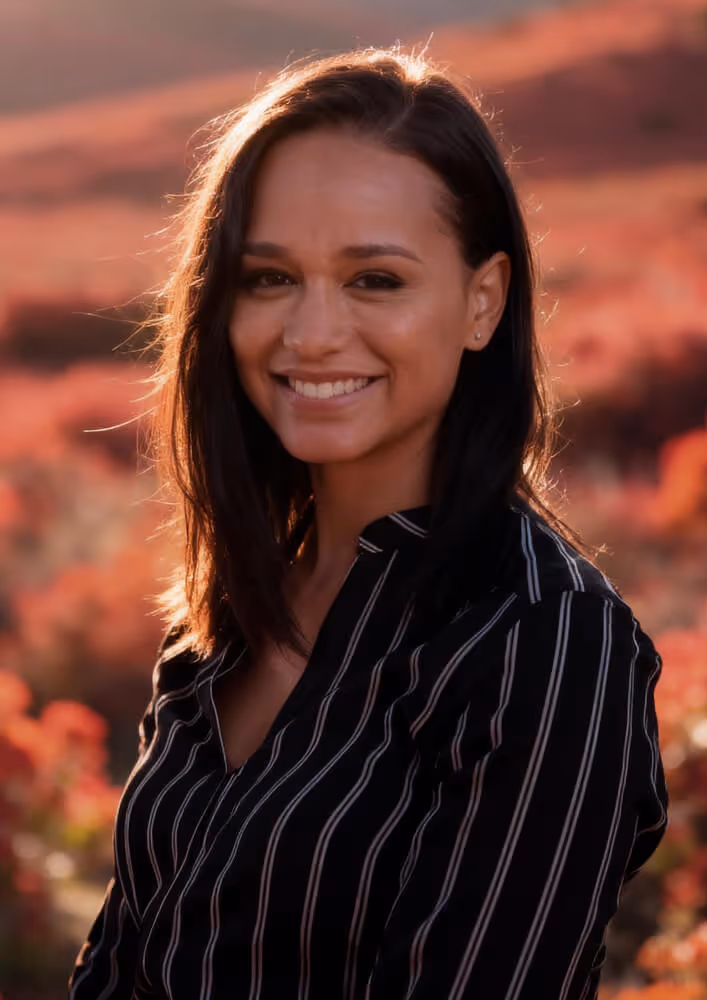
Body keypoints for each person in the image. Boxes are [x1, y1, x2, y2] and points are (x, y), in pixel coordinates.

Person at [68, 45, 668, 1000]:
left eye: (374, 280)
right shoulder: (230, 610)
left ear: (484, 300)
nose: (307, 334)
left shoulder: (547, 643)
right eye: (268, 278)